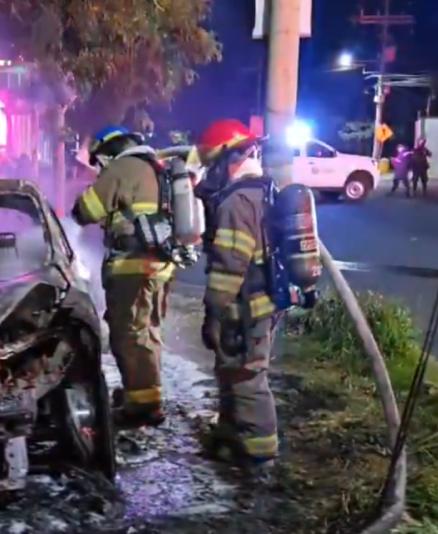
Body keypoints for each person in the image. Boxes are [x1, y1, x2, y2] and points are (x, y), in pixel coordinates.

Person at [193, 119, 281, 482]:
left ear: (228, 159)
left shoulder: (236, 202)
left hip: (244, 310)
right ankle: (233, 434)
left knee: (246, 378)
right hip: (261, 306)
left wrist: (213, 313)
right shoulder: (263, 190)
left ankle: (259, 458)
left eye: (212, 164)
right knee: (231, 371)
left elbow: (230, 266)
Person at [71, 125, 174, 427]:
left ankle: (143, 408)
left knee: (128, 335)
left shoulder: (122, 169)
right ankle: (141, 395)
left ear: (109, 151)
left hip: (133, 266)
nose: (99, 167)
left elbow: (84, 211)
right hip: (159, 265)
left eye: (99, 161)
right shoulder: (154, 167)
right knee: (146, 332)